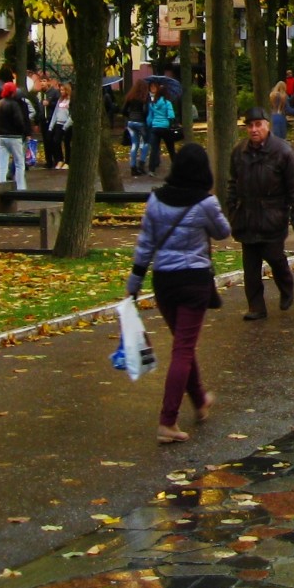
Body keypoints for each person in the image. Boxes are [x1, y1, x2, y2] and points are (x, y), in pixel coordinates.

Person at [125, 143, 229, 443]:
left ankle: (199, 400)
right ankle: (167, 421)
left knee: (183, 344)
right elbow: (223, 232)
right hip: (194, 280)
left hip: (164, 281)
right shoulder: (205, 203)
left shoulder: (156, 200)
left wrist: (134, 283)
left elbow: (145, 243)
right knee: (182, 349)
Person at [226, 106, 294, 320]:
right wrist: (232, 210)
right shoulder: (239, 152)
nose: (254, 130)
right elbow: (232, 183)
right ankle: (256, 306)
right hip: (247, 216)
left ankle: (286, 287)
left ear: (267, 125)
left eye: (258, 125)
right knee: (250, 267)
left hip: (273, 216)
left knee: (275, 258)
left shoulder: (282, 151)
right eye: (250, 126)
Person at [0, 80, 32, 190]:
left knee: (2, 162)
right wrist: (22, 132)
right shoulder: (14, 105)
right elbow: (20, 122)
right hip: (15, 137)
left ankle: (1, 185)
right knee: (19, 163)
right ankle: (21, 187)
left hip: (1, 137)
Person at [143, 78, 177, 176]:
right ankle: (175, 168)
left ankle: (151, 170)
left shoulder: (153, 103)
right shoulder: (167, 103)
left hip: (155, 128)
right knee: (171, 149)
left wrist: (151, 124)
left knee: (154, 149)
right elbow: (171, 116)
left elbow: (150, 117)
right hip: (165, 128)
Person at [45, 83, 72, 169]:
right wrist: (51, 126)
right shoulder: (59, 100)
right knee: (55, 141)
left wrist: (66, 125)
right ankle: (59, 159)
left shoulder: (70, 100)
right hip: (58, 123)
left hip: (67, 124)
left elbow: (72, 114)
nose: (61, 92)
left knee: (67, 143)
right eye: (60, 90)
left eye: (63, 90)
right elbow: (55, 113)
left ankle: (68, 161)